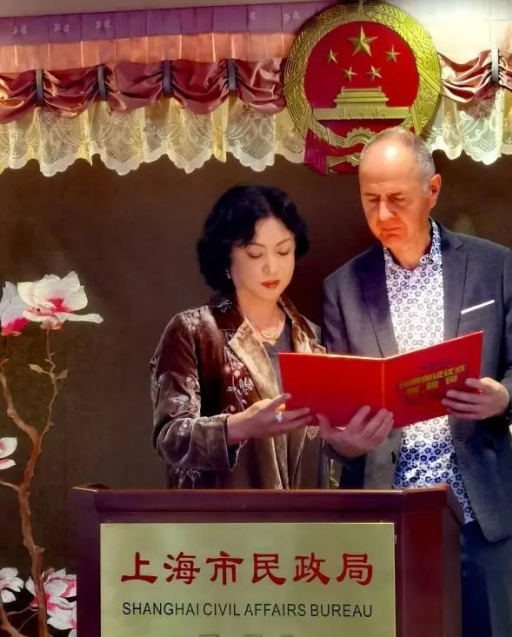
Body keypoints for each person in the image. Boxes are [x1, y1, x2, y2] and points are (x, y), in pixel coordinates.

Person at [319, 128, 512, 637]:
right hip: (386, 511)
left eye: (397, 199)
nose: (382, 215)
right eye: (370, 199)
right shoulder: (343, 287)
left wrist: (502, 397)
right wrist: (343, 442)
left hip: (477, 509)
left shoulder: (490, 265)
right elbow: (336, 413)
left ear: (433, 190)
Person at [151, 184, 390, 490]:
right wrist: (240, 426)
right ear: (226, 256)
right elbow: (169, 437)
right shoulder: (193, 331)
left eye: (283, 251)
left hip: (305, 516)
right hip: (223, 516)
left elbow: (326, 447)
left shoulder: (314, 339)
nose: (271, 266)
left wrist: (347, 447)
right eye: (255, 253)